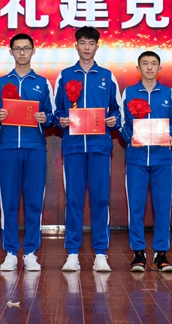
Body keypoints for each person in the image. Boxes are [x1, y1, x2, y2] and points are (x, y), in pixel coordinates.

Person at [54, 27, 122, 273]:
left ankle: (100, 253)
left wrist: (114, 120)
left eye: (90, 43)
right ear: (76, 46)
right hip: (73, 147)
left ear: (97, 47)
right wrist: (60, 120)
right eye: (82, 43)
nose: (86, 47)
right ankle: (72, 253)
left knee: (100, 200)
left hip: (100, 147)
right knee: (73, 200)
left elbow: (117, 110)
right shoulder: (64, 76)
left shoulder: (107, 76)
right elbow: (56, 111)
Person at [0, 33, 55, 272]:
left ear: (33, 51)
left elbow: (53, 116)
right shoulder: (0, 83)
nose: (22, 53)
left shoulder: (43, 83)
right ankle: (10, 252)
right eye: (18, 49)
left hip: (35, 148)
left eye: (26, 48)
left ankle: (31, 252)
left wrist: (45, 118)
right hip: (8, 148)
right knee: (9, 201)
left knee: (34, 201)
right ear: (11, 52)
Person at [119, 51, 172, 273]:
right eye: (144, 63)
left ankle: (161, 254)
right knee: (136, 207)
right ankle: (138, 253)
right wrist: (130, 137)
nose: (149, 67)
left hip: (161, 158)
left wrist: (171, 135)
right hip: (136, 158)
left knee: (162, 207)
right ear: (138, 68)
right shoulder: (128, 92)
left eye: (153, 63)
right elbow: (122, 122)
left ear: (159, 68)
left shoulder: (168, 93)